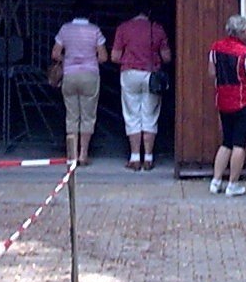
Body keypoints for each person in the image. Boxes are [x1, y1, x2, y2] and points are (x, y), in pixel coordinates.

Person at [111, 10, 171, 169]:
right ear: (150, 12)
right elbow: (167, 57)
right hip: (151, 75)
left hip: (130, 74)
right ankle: (149, 158)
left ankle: (135, 157)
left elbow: (115, 57)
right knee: (150, 116)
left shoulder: (123, 28)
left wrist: (131, 59)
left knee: (132, 115)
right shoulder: (157, 29)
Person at [208, 13, 246, 196]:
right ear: (243, 32)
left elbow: (212, 73)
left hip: (222, 100)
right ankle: (232, 184)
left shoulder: (215, 48)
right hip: (242, 102)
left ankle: (215, 181)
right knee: (239, 143)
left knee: (226, 142)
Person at [53, 13, 107, 165]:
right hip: (90, 75)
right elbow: (103, 57)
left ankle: (73, 155)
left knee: (72, 116)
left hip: (69, 75)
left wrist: (69, 59)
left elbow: (55, 53)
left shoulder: (65, 29)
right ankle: (83, 154)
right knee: (88, 116)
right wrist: (89, 61)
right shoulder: (95, 30)